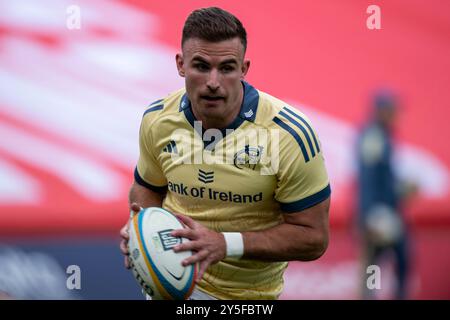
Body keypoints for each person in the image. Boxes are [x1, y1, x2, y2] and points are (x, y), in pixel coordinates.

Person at [120, 7, 331, 300]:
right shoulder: (158, 120)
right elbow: (147, 187)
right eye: (201, 66)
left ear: (244, 69)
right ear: (181, 65)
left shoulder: (288, 135)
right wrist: (141, 232)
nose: (214, 82)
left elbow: (314, 238)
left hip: (247, 298)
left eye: (227, 68)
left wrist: (224, 244)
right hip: (172, 286)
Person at [356, 90, 414, 299]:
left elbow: (383, 177)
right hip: (379, 213)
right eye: (391, 110)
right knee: (376, 261)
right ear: (380, 111)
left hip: (387, 210)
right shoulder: (373, 136)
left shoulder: (382, 135)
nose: (395, 114)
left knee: (392, 259)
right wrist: (369, 215)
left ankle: (382, 295)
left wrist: (400, 189)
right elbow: (368, 178)